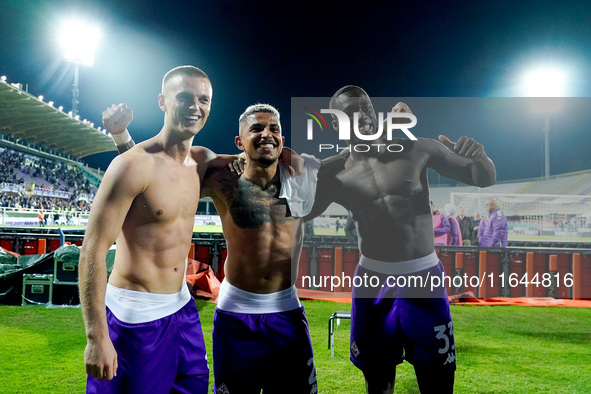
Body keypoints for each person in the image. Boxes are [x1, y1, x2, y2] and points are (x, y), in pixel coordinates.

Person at [115, 103, 343, 393]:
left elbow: (353, 160)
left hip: (286, 311)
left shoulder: (301, 176)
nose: (267, 134)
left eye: (274, 129)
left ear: (283, 139)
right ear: (240, 141)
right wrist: (122, 136)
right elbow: (152, 176)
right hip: (236, 316)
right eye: (257, 129)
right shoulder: (222, 177)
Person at [306, 85, 496, 394]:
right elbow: (292, 214)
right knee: (378, 383)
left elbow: (482, 177)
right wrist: (289, 173)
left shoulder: (416, 148)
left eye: (366, 107)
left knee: (438, 382)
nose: (362, 116)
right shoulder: (333, 172)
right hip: (372, 281)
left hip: (424, 277)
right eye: (351, 113)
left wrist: (481, 158)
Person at [79, 66, 218, 393]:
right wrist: (97, 337)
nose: (194, 107)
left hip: (183, 309)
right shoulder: (130, 166)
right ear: (162, 101)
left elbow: (159, 186)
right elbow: (92, 251)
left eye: (203, 99)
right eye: (183, 97)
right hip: (134, 317)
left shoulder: (201, 163)